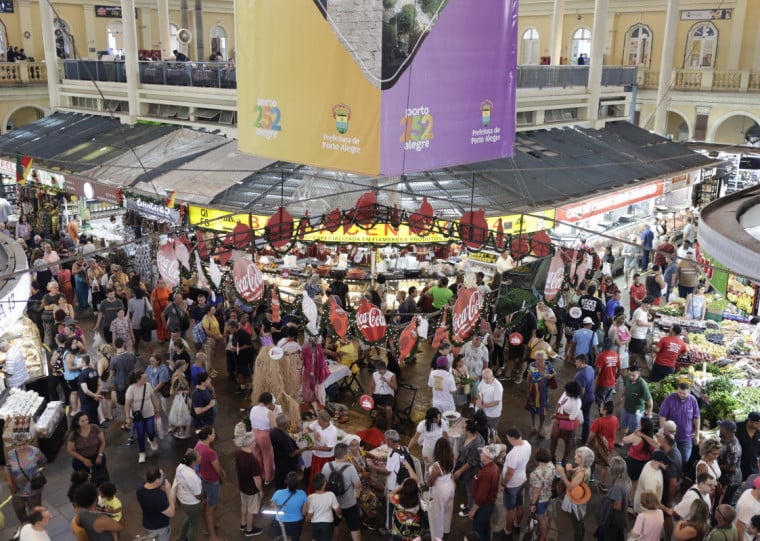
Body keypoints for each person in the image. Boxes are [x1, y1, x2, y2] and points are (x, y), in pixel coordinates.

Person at [6, 433, 47, 524]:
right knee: (19, 512)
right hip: (17, 490)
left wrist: (34, 471)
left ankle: (35, 527)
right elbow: (8, 468)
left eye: (24, 444)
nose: (21, 447)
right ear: (15, 445)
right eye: (18, 445)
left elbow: (43, 462)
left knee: (35, 512)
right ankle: (25, 527)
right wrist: (10, 485)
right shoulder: (10, 454)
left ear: (27, 442)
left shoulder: (35, 452)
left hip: (33, 489)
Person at [195, 425, 225, 541]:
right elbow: (217, 469)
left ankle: (207, 526)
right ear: (208, 436)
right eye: (213, 434)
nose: (214, 435)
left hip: (203, 478)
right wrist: (222, 476)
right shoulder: (210, 452)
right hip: (212, 481)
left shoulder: (198, 445)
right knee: (211, 508)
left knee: (205, 503)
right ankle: (212, 536)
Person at [660, 382, 701, 465]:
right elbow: (662, 417)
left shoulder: (692, 400)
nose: (681, 395)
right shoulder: (669, 399)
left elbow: (696, 417)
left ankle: (680, 474)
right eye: (679, 392)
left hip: (686, 437)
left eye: (684, 393)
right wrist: (664, 433)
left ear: (689, 392)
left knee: (684, 458)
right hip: (671, 437)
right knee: (669, 459)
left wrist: (697, 435)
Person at [559, 446, 595, 541]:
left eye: (578, 456)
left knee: (576, 521)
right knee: (579, 520)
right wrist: (569, 469)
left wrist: (562, 473)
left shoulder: (581, 473)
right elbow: (573, 473)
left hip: (576, 499)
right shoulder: (584, 467)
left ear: (584, 459)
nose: (575, 457)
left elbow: (570, 486)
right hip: (580, 495)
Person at [124, 370, 160, 463]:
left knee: (151, 431)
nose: (146, 379)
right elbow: (127, 404)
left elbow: (153, 397)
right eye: (144, 378)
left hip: (149, 413)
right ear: (137, 379)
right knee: (140, 434)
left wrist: (156, 407)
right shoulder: (131, 389)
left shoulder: (147, 385)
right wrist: (127, 417)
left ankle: (151, 440)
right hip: (137, 416)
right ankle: (142, 453)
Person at [502, 428, 532, 538]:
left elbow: (509, 473)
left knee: (511, 509)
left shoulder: (514, 454)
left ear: (512, 438)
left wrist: (503, 483)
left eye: (508, 439)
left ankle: (507, 530)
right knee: (520, 504)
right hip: (522, 479)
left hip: (512, 484)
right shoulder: (527, 444)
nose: (508, 440)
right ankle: (517, 523)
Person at [468, 445, 500, 541]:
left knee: (477, 531)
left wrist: (473, 510)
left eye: (482, 453)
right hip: (488, 504)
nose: (480, 454)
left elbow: (482, 495)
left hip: (483, 506)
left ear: (486, 456)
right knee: (485, 528)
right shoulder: (494, 467)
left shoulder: (487, 473)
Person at [594, 456, 631, 541]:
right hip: (621, 519)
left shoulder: (617, 486)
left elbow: (617, 506)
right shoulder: (627, 479)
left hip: (613, 520)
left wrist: (606, 503)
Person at [235, 432, 264, 537]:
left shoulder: (238, 452)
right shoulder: (252, 460)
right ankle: (249, 530)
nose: (256, 442)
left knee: (244, 505)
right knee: (251, 510)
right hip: (252, 490)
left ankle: (243, 524)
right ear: (251, 444)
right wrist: (260, 490)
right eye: (254, 441)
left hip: (242, 486)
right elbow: (257, 479)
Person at [270, 413, 308, 490]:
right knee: (287, 482)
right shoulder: (284, 438)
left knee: (279, 480)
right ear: (284, 425)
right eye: (288, 422)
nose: (289, 423)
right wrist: (305, 449)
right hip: (287, 464)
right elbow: (292, 454)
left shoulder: (273, 431)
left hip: (278, 460)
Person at [455, 420, 485, 517]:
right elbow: (460, 450)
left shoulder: (476, 444)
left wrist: (459, 471)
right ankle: (469, 504)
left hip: (471, 470)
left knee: (470, 489)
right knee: (468, 487)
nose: (462, 428)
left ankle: (469, 509)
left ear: (469, 430)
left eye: (463, 427)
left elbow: (470, 463)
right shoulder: (465, 436)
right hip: (463, 465)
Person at [426, 438, 455, 540]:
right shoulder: (451, 458)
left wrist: (427, 469)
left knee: (437, 516)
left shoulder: (436, 466)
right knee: (447, 514)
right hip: (450, 486)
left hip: (440, 491)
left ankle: (438, 537)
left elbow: (430, 482)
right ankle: (446, 534)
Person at [587, 401, 619, 491]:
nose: (599, 408)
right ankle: (603, 484)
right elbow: (616, 428)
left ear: (605, 411)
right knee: (604, 465)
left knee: (592, 461)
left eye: (601, 407)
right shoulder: (615, 419)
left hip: (597, 447)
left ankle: (591, 476)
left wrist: (587, 442)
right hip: (609, 446)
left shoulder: (598, 422)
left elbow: (592, 435)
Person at [67, 412, 108, 481]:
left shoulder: (95, 428)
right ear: (77, 422)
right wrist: (84, 460)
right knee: (83, 478)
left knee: (101, 475)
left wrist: (99, 455)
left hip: (97, 455)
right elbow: (70, 450)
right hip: (81, 459)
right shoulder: (74, 434)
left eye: (86, 420)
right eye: (82, 421)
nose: (85, 422)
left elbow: (102, 442)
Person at [136, 468, 175, 541]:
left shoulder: (140, 488)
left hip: (147, 523)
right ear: (157, 480)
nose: (164, 478)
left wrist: (160, 488)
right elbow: (171, 513)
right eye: (162, 476)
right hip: (159, 529)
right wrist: (168, 492)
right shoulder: (158, 497)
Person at [305, 410, 338, 493]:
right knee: (314, 475)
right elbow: (309, 428)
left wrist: (314, 447)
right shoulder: (318, 422)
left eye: (319, 419)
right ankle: (312, 491)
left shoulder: (332, 431)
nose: (317, 420)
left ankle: (321, 492)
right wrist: (306, 430)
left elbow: (329, 448)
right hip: (316, 455)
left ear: (325, 421)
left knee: (322, 476)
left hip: (325, 458)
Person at [550, 380, 583, 463]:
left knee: (567, 441)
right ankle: (552, 455)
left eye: (567, 391)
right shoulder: (567, 392)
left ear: (572, 392)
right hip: (559, 418)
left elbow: (572, 417)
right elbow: (559, 402)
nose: (565, 392)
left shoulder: (577, 402)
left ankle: (564, 459)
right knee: (553, 437)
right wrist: (555, 413)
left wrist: (557, 417)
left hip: (567, 423)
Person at [525, 350, 556, 438]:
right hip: (533, 391)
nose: (538, 361)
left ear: (544, 359)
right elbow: (528, 379)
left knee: (543, 411)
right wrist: (527, 392)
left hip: (544, 392)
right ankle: (533, 425)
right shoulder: (531, 365)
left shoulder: (548, 364)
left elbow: (555, 372)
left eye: (540, 359)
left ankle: (540, 427)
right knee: (533, 409)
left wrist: (551, 375)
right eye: (537, 359)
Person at [175, 449, 203, 541]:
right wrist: (204, 497)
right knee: (193, 525)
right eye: (198, 456)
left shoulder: (180, 466)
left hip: (183, 499)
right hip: (192, 504)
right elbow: (198, 495)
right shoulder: (191, 476)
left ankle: (181, 538)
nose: (200, 456)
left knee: (189, 518)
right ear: (194, 461)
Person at [618, 365, 653, 440]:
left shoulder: (642, 384)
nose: (631, 377)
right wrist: (620, 397)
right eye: (630, 374)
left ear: (639, 374)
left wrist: (649, 416)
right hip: (626, 408)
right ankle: (621, 441)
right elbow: (626, 388)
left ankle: (631, 448)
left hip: (636, 412)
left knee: (634, 431)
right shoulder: (628, 379)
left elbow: (650, 400)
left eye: (633, 375)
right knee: (623, 426)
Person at [271, 471, 308, 541]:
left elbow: (272, 506)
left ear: (286, 481)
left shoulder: (278, 492)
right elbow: (303, 512)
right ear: (297, 482)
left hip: (279, 522)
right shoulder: (303, 494)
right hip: (296, 524)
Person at [528, 448, 555, 541]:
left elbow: (536, 492)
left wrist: (533, 504)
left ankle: (543, 537)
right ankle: (545, 535)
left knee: (540, 519)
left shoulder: (536, 474)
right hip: (548, 494)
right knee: (544, 515)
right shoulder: (551, 465)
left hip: (540, 500)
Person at [248, 392, 276, 485]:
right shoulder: (269, 412)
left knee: (257, 455)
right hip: (264, 436)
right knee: (267, 456)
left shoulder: (253, 408)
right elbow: (273, 427)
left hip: (253, 434)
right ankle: (268, 478)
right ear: (269, 402)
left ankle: (259, 474)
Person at [305, 472, 341, 541]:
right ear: (324, 485)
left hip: (315, 524)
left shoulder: (310, 497)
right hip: (328, 524)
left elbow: (310, 513)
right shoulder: (331, 495)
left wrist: (306, 520)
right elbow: (337, 509)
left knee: (315, 539)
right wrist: (339, 515)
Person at [717, 420, 743, 507]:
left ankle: (717, 520)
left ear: (727, 431)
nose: (719, 429)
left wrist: (714, 465)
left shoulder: (733, 448)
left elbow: (732, 467)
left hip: (730, 481)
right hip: (723, 478)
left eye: (721, 428)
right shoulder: (726, 440)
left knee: (721, 504)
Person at [390, 476, 422, 540]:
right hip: (411, 530)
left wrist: (401, 486)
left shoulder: (397, 499)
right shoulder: (419, 502)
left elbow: (390, 494)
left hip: (398, 527)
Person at [574, 353, 595, 442]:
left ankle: (572, 434)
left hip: (584, 399)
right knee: (586, 417)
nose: (575, 363)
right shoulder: (590, 368)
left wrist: (577, 401)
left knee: (574, 417)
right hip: (590, 396)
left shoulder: (582, 374)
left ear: (582, 363)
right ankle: (585, 437)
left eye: (577, 362)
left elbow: (582, 390)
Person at [77, 354, 103, 426]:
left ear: (84, 363)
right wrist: (96, 395)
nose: (77, 363)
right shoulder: (94, 371)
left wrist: (95, 395)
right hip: (94, 401)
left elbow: (85, 390)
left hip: (87, 402)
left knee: (87, 421)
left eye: (79, 362)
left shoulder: (82, 374)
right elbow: (100, 385)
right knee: (95, 418)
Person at [371, 360, 398, 429]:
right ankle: (375, 420)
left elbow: (395, 388)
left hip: (388, 395)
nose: (379, 371)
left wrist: (387, 381)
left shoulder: (392, 375)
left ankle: (389, 424)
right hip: (377, 394)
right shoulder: (374, 374)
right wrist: (369, 395)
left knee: (388, 408)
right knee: (372, 405)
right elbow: (372, 385)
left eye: (381, 369)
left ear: (385, 368)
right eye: (378, 369)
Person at [629, 296, 653, 367]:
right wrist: (649, 324)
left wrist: (649, 317)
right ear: (642, 304)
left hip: (641, 334)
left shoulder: (644, 310)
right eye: (647, 307)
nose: (648, 308)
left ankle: (634, 362)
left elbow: (646, 315)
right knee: (635, 352)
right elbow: (639, 322)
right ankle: (632, 365)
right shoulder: (639, 311)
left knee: (637, 350)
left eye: (649, 307)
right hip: (637, 335)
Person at [737, 411, 760, 480]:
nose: (759, 425)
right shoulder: (737, 428)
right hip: (738, 467)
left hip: (754, 468)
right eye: (757, 423)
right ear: (749, 421)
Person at [151, 278, 172, 343]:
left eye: (164, 283)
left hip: (166, 310)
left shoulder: (167, 289)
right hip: (158, 311)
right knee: (159, 324)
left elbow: (170, 297)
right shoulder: (155, 291)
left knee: (166, 323)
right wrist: (153, 311)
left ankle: (166, 336)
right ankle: (160, 338)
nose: (163, 284)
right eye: (161, 283)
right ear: (158, 284)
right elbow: (152, 301)